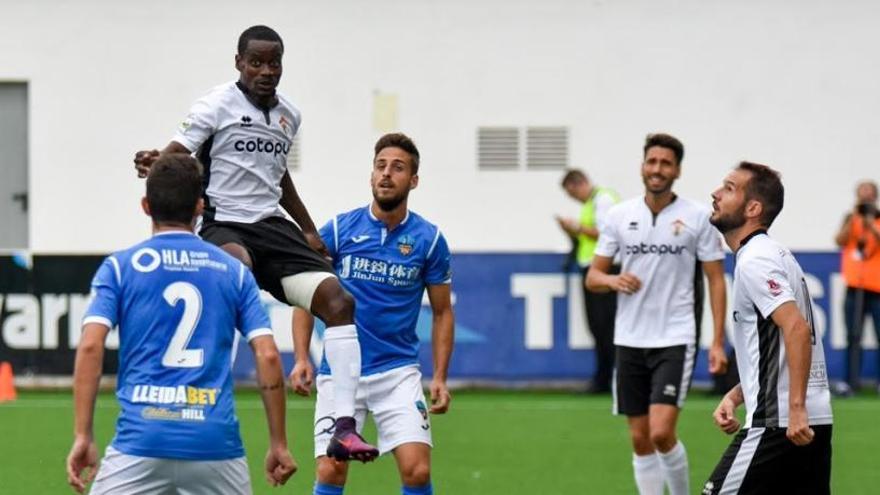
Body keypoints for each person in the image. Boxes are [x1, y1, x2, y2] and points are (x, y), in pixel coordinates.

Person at [132, 25, 377, 461]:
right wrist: (156, 159)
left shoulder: (289, 116)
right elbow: (179, 150)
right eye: (256, 62)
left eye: (274, 62)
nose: (266, 71)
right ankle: (200, 399)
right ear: (239, 63)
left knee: (339, 301)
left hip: (273, 227)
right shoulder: (216, 104)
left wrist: (306, 228)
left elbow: (279, 177)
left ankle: (343, 427)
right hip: (223, 222)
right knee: (235, 269)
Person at [65, 154, 296, 494]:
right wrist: (278, 442)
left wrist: (83, 434)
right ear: (200, 207)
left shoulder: (120, 267)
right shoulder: (234, 272)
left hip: (140, 442)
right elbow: (268, 356)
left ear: (146, 205)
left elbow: (90, 345)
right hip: (215, 445)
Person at [289, 133, 454, 495]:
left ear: (413, 181)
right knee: (331, 470)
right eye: (380, 166)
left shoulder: (429, 239)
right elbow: (306, 294)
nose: (386, 174)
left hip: (397, 372)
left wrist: (440, 376)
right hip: (340, 372)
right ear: (371, 175)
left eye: (397, 168)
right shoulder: (339, 230)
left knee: (417, 471)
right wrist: (302, 357)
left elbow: (442, 312)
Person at [586, 133, 728, 495]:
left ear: (677, 170)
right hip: (629, 337)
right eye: (652, 162)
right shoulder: (619, 216)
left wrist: (715, 341)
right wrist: (615, 280)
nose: (657, 169)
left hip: (675, 336)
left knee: (661, 432)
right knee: (640, 438)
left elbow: (715, 280)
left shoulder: (698, 217)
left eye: (665, 163)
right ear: (642, 166)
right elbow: (593, 276)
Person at [703, 162, 833, 494]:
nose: (715, 194)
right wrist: (736, 395)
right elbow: (773, 352)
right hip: (810, 420)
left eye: (729, 188)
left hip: (778, 424)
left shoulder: (756, 259)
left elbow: (797, 329)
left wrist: (795, 410)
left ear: (753, 208)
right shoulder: (774, 254)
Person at [557, 169, 619, 393]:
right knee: (598, 327)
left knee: (606, 326)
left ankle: (610, 379)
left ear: (579, 183)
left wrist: (576, 227)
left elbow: (606, 234)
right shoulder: (591, 204)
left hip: (605, 268)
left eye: (572, 193)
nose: (574, 198)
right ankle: (603, 378)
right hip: (593, 268)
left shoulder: (602, 200)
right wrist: (571, 232)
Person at [834, 180, 880, 395]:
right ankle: (850, 382)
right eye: (862, 196)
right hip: (855, 286)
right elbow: (840, 240)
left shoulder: (877, 220)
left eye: (869, 196)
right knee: (853, 336)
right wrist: (854, 217)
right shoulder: (851, 220)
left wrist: (871, 224)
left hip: (877, 288)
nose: (866, 200)